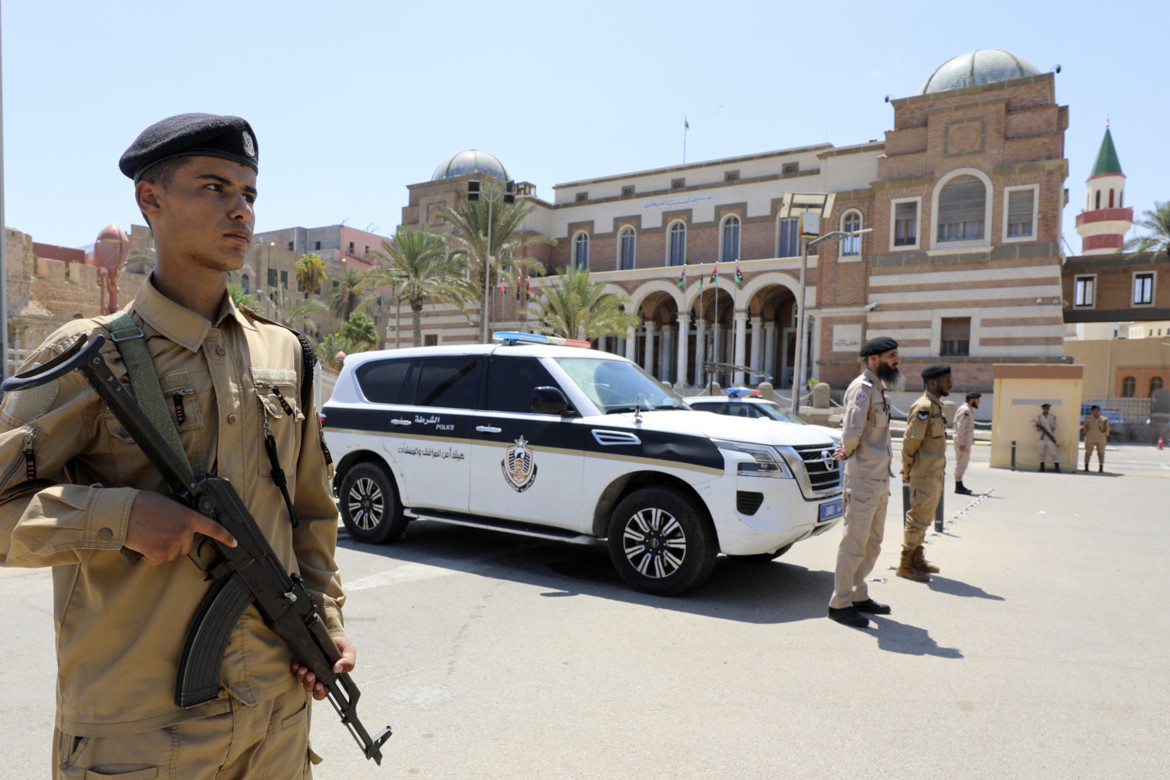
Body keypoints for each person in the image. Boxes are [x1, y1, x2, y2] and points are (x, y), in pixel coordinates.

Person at [0, 114, 351, 778]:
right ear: (150, 200)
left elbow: (311, 512)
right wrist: (118, 517)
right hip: (141, 732)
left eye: (248, 193)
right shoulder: (86, 357)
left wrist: (325, 622)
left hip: (276, 715)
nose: (240, 209)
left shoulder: (285, 355)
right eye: (214, 187)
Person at [827, 336, 900, 629]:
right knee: (854, 543)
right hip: (863, 478)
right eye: (892, 356)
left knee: (872, 542)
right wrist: (846, 451)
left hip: (879, 476)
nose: (897, 361)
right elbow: (852, 431)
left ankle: (858, 594)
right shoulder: (862, 389)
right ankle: (839, 603)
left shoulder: (879, 388)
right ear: (874, 359)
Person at [897, 363, 952, 582]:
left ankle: (917, 559)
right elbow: (911, 440)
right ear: (933, 382)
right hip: (924, 472)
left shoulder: (936, 406)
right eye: (946, 380)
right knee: (917, 519)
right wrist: (907, 467)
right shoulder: (924, 407)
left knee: (926, 518)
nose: (950, 383)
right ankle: (905, 564)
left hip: (934, 472)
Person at [953, 391, 981, 494]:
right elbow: (961, 427)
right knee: (961, 463)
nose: (979, 402)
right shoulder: (965, 410)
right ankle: (958, 486)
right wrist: (961, 443)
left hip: (964, 442)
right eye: (977, 400)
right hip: (963, 443)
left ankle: (959, 484)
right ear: (972, 400)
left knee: (962, 463)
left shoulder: (968, 410)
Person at [1082, 404, 1111, 472]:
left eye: (1097, 410)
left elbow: (1107, 428)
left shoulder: (1104, 419)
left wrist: (1105, 436)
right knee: (1088, 452)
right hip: (1090, 438)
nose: (1096, 412)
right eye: (1094, 410)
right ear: (1092, 411)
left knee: (1101, 453)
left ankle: (1101, 467)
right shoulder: (1088, 419)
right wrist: (1087, 435)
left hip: (1101, 439)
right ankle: (1086, 466)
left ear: (1099, 411)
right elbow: (1085, 428)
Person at [1034, 402, 1059, 472]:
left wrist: (1053, 436)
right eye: (1044, 408)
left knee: (1053, 452)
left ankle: (1057, 468)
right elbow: (1034, 426)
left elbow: (1055, 427)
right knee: (1041, 453)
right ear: (1042, 409)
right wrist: (1037, 429)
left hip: (1050, 437)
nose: (1046, 410)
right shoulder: (1039, 417)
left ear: (1049, 409)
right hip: (1041, 438)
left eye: (1047, 409)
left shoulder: (1052, 417)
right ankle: (1042, 468)